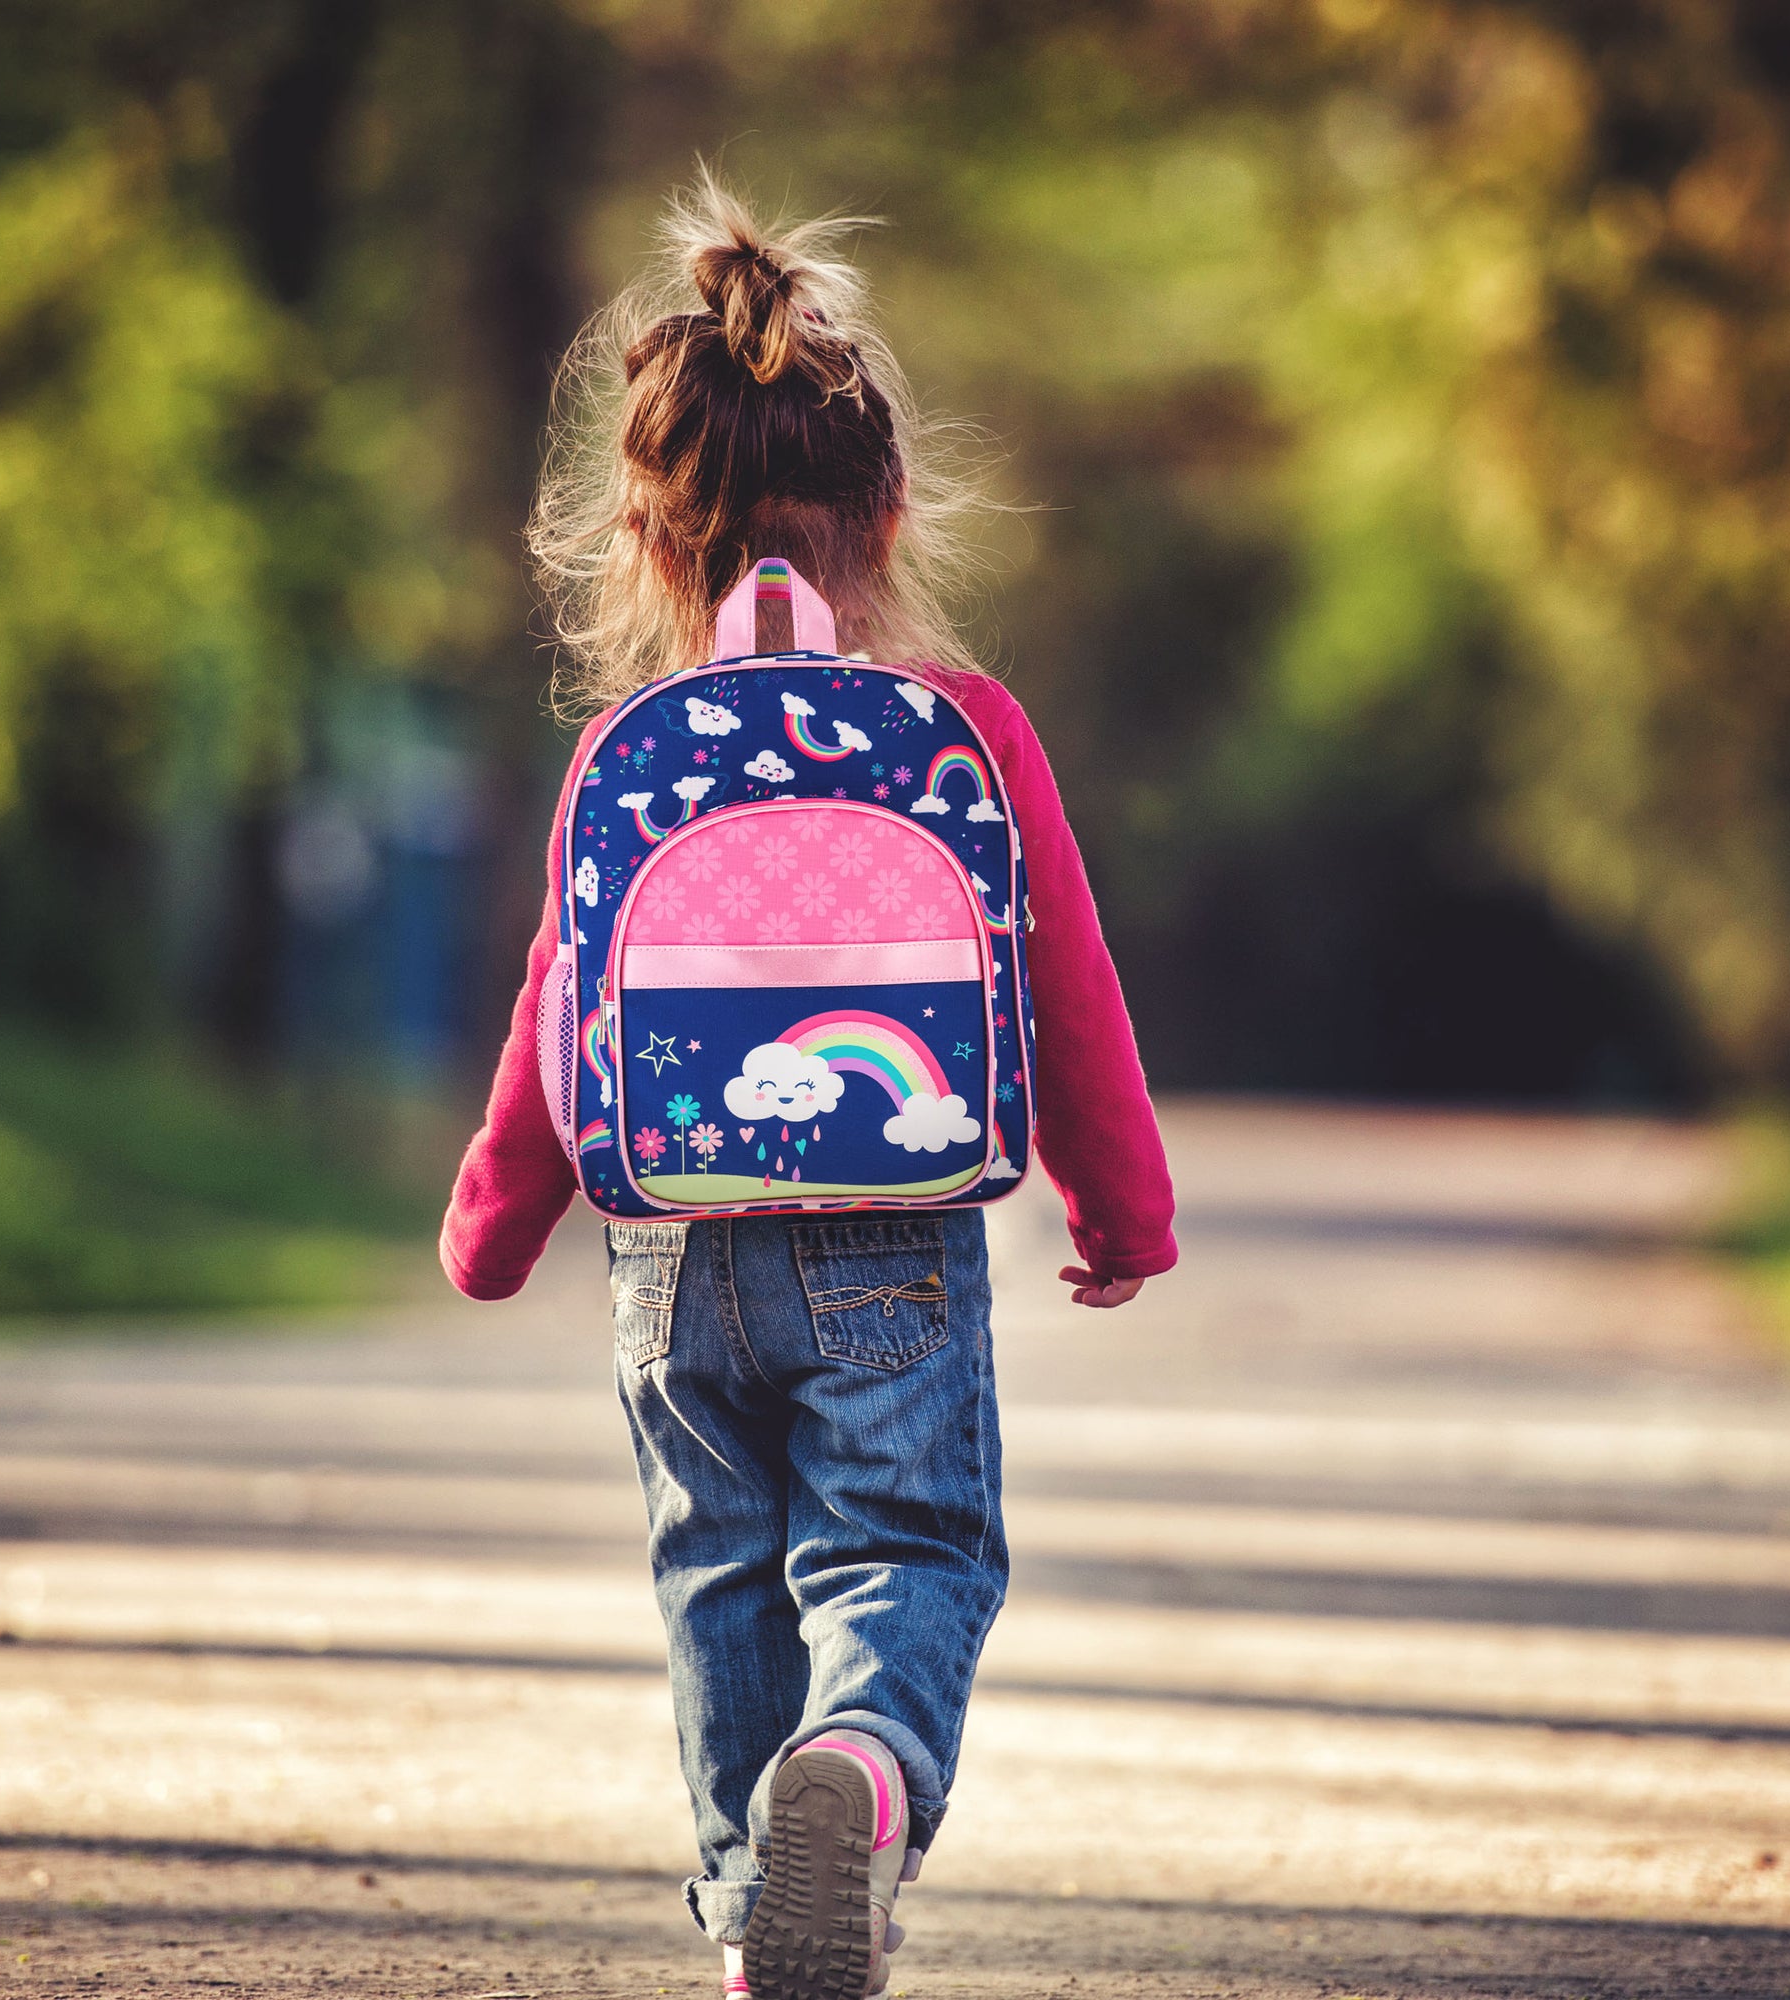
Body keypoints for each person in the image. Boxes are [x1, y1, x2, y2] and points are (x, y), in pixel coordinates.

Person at [440, 172, 1176, 2000]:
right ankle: (858, 1774)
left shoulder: (630, 750)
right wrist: (1120, 1204)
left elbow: (564, 998)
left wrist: (492, 1216)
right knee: (904, 1543)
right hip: (895, 1239)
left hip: (671, 1250)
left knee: (719, 1578)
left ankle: (750, 1905)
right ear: (892, 511)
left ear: (644, 532)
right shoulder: (968, 732)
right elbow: (1062, 986)